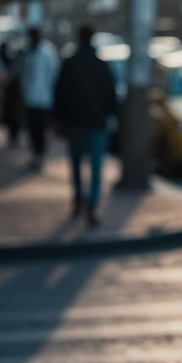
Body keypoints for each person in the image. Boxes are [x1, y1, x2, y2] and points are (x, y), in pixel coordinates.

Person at [53, 24, 118, 226]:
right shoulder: (101, 65)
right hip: (96, 124)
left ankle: (78, 199)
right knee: (96, 167)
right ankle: (91, 205)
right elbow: (111, 95)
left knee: (76, 164)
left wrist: (58, 120)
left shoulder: (70, 64)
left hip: (75, 124)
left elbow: (59, 95)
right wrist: (110, 115)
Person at [20, 27, 59, 170]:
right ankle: (35, 155)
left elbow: (54, 75)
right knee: (32, 130)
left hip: (44, 99)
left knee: (41, 129)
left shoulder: (48, 53)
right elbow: (24, 76)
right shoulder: (28, 53)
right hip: (30, 99)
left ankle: (40, 156)